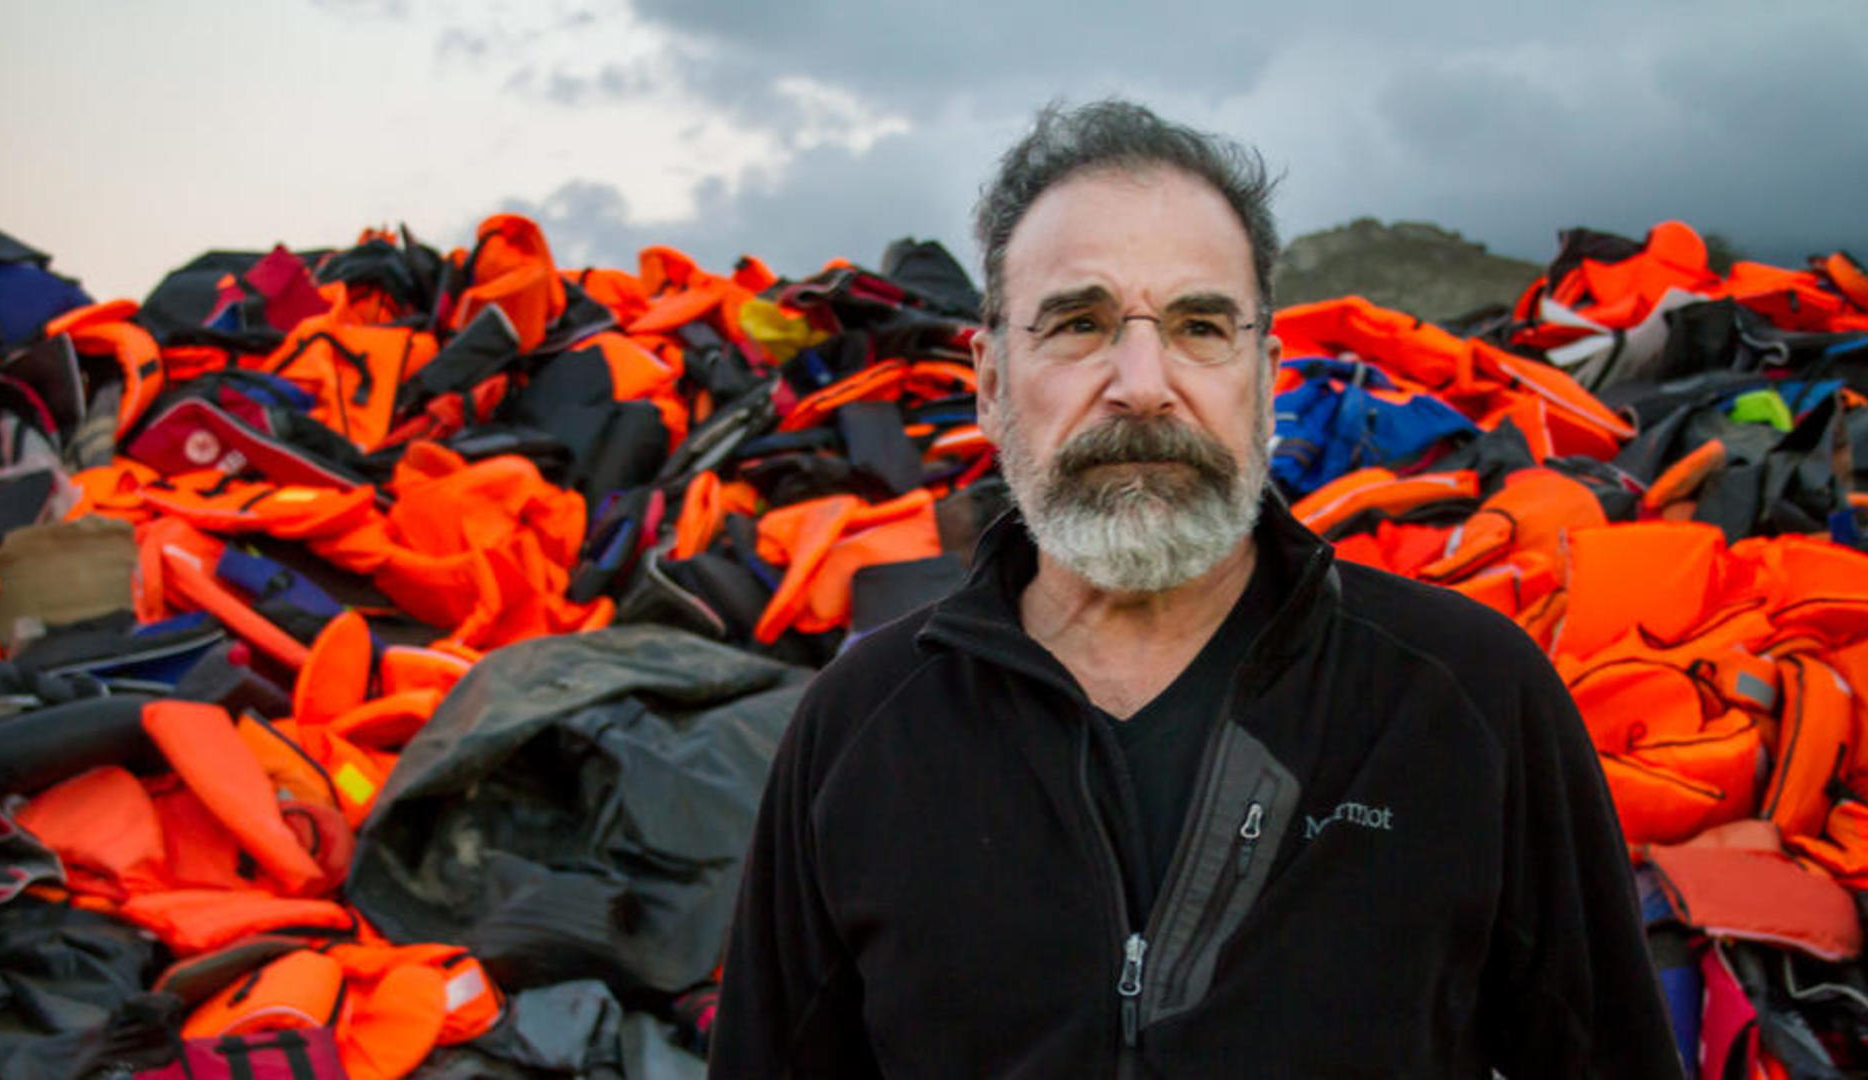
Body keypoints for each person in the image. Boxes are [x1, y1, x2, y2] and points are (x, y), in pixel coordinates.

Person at [710, 99, 1682, 1077]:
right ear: (991, 380)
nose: (1142, 381)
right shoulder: (861, 730)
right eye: (1079, 323)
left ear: (1263, 377)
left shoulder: (1468, 702)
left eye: (1200, 325)